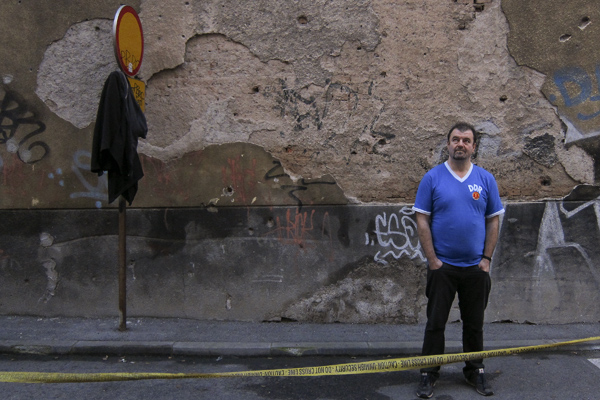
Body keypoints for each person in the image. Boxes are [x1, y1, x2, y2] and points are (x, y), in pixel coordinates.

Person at [412, 122, 504, 398]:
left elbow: (493, 220)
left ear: (473, 147)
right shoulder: (432, 178)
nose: (460, 144)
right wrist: (433, 260)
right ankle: (429, 373)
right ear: (448, 144)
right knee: (435, 323)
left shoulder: (485, 179)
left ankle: (475, 370)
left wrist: (486, 259)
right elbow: (422, 219)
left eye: (466, 140)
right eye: (455, 139)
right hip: (443, 267)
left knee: (474, 324)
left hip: (476, 267)